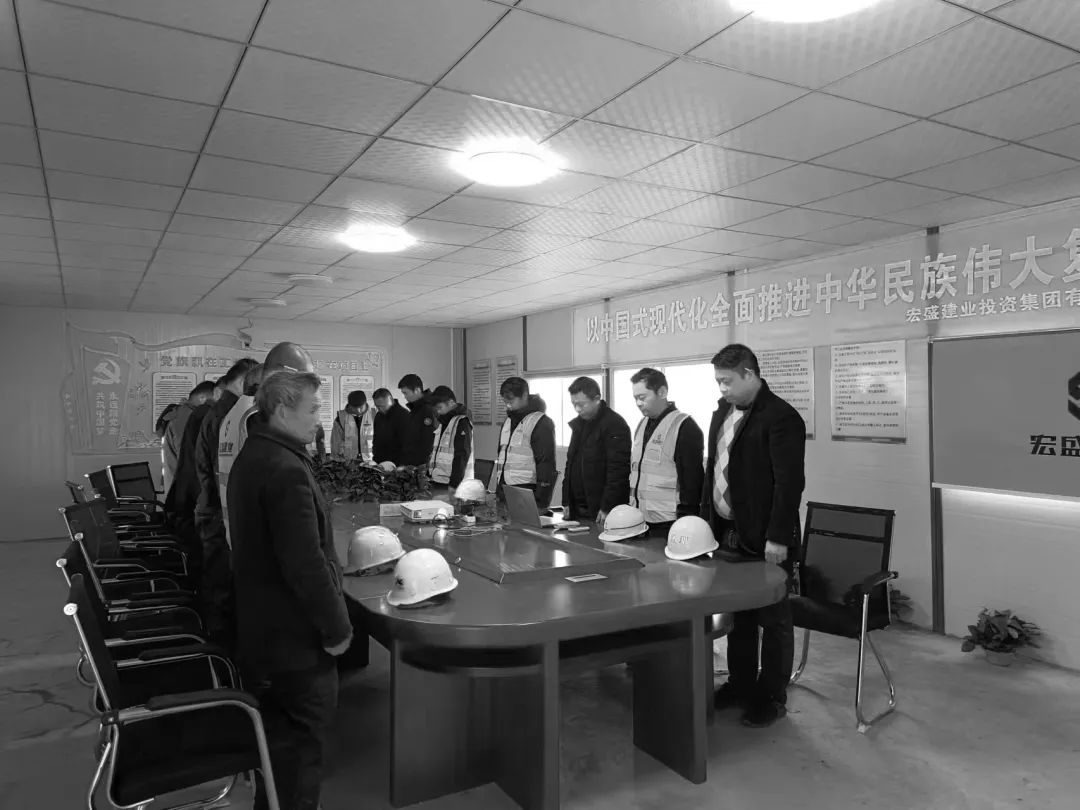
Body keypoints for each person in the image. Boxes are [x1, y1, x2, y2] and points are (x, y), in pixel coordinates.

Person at [228, 370, 353, 810]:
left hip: (265, 635)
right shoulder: (284, 469)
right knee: (300, 755)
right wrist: (338, 629)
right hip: (293, 645)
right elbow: (305, 565)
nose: (320, 418)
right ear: (282, 409)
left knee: (280, 756)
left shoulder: (257, 454)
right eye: (313, 409)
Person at [702, 344, 805, 728]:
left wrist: (777, 537)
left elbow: (789, 483)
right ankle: (741, 684)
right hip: (728, 534)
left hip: (766, 539)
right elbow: (714, 469)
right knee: (740, 616)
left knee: (773, 619)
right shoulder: (722, 413)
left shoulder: (781, 417)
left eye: (727, 381)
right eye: (718, 381)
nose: (722, 388)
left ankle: (771, 696)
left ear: (749, 374)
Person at [195, 359, 261, 647]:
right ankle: (222, 656)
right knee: (222, 590)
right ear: (247, 381)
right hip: (220, 516)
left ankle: (222, 650)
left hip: (213, 510)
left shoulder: (224, 412)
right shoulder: (238, 415)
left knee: (220, 586)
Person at [628, 367, 705, 537]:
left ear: (662, 392)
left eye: (642, 397)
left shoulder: (684, 426)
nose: (638, 403)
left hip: (670, 523)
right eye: (635, 398)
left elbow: (692, 482)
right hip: (639, 520)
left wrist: (686, 523)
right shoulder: (641, 424)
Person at [562, 376, 630, 524]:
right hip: (577, 508)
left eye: (582, 404)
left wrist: (608, 506)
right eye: (574, 404)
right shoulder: (578, 424)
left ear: (597, 399)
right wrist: (566, 501)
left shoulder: (614, 424)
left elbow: (618, 471)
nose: (577, 409)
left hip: (600, 508)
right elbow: (570, 464)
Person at [490, 377, 556, 509]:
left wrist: (541, 501)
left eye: (511, 400)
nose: (508, 405)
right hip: (504, 490)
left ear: (524, 395)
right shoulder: (508, 421)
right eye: (505, 401)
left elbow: (546, 464)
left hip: (526, 490)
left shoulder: (541, 422)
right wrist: (498, 490)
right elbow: (503, 457)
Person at [162, 381, 215, 496]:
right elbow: (190, 459)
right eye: (213, 400)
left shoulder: (182, 414)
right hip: (185, 492)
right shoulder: (186, 418)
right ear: (202, 398)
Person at [429, 385, 474, 490]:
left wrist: (454, 485)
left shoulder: (462, 422)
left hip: (454, 484)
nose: (438, 412)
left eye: (440, 408)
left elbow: (462, 456)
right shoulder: (443, 422)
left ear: (451, 403)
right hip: (438, 481)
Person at [397, 374, 437, 468]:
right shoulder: (416, 409)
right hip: (411, 464)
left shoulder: (427, 410)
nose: (404, 396)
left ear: (417, 390)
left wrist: (417, 466)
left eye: (406, 393)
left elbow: (427, 442)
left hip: (419, 466)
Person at [331, 390, 374, 461]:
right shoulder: (341, 418)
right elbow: (335, 441)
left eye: (361, 407)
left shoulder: (374, 415)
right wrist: (337, 459)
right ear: (349, 405)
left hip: (370, 460)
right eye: (355, 408)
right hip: (348, 461)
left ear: (365, 403)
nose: (358, 410)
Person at [372, 387, 410, 467]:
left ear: (391, 400)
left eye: (382, 406)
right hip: (379, 463)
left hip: (396, 465)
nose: (380, 409)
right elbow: (376, 440)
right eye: (377, 406)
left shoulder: (404, 415)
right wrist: (375, 459)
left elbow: (408, 445)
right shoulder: (378, 416)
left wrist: (402, 466)